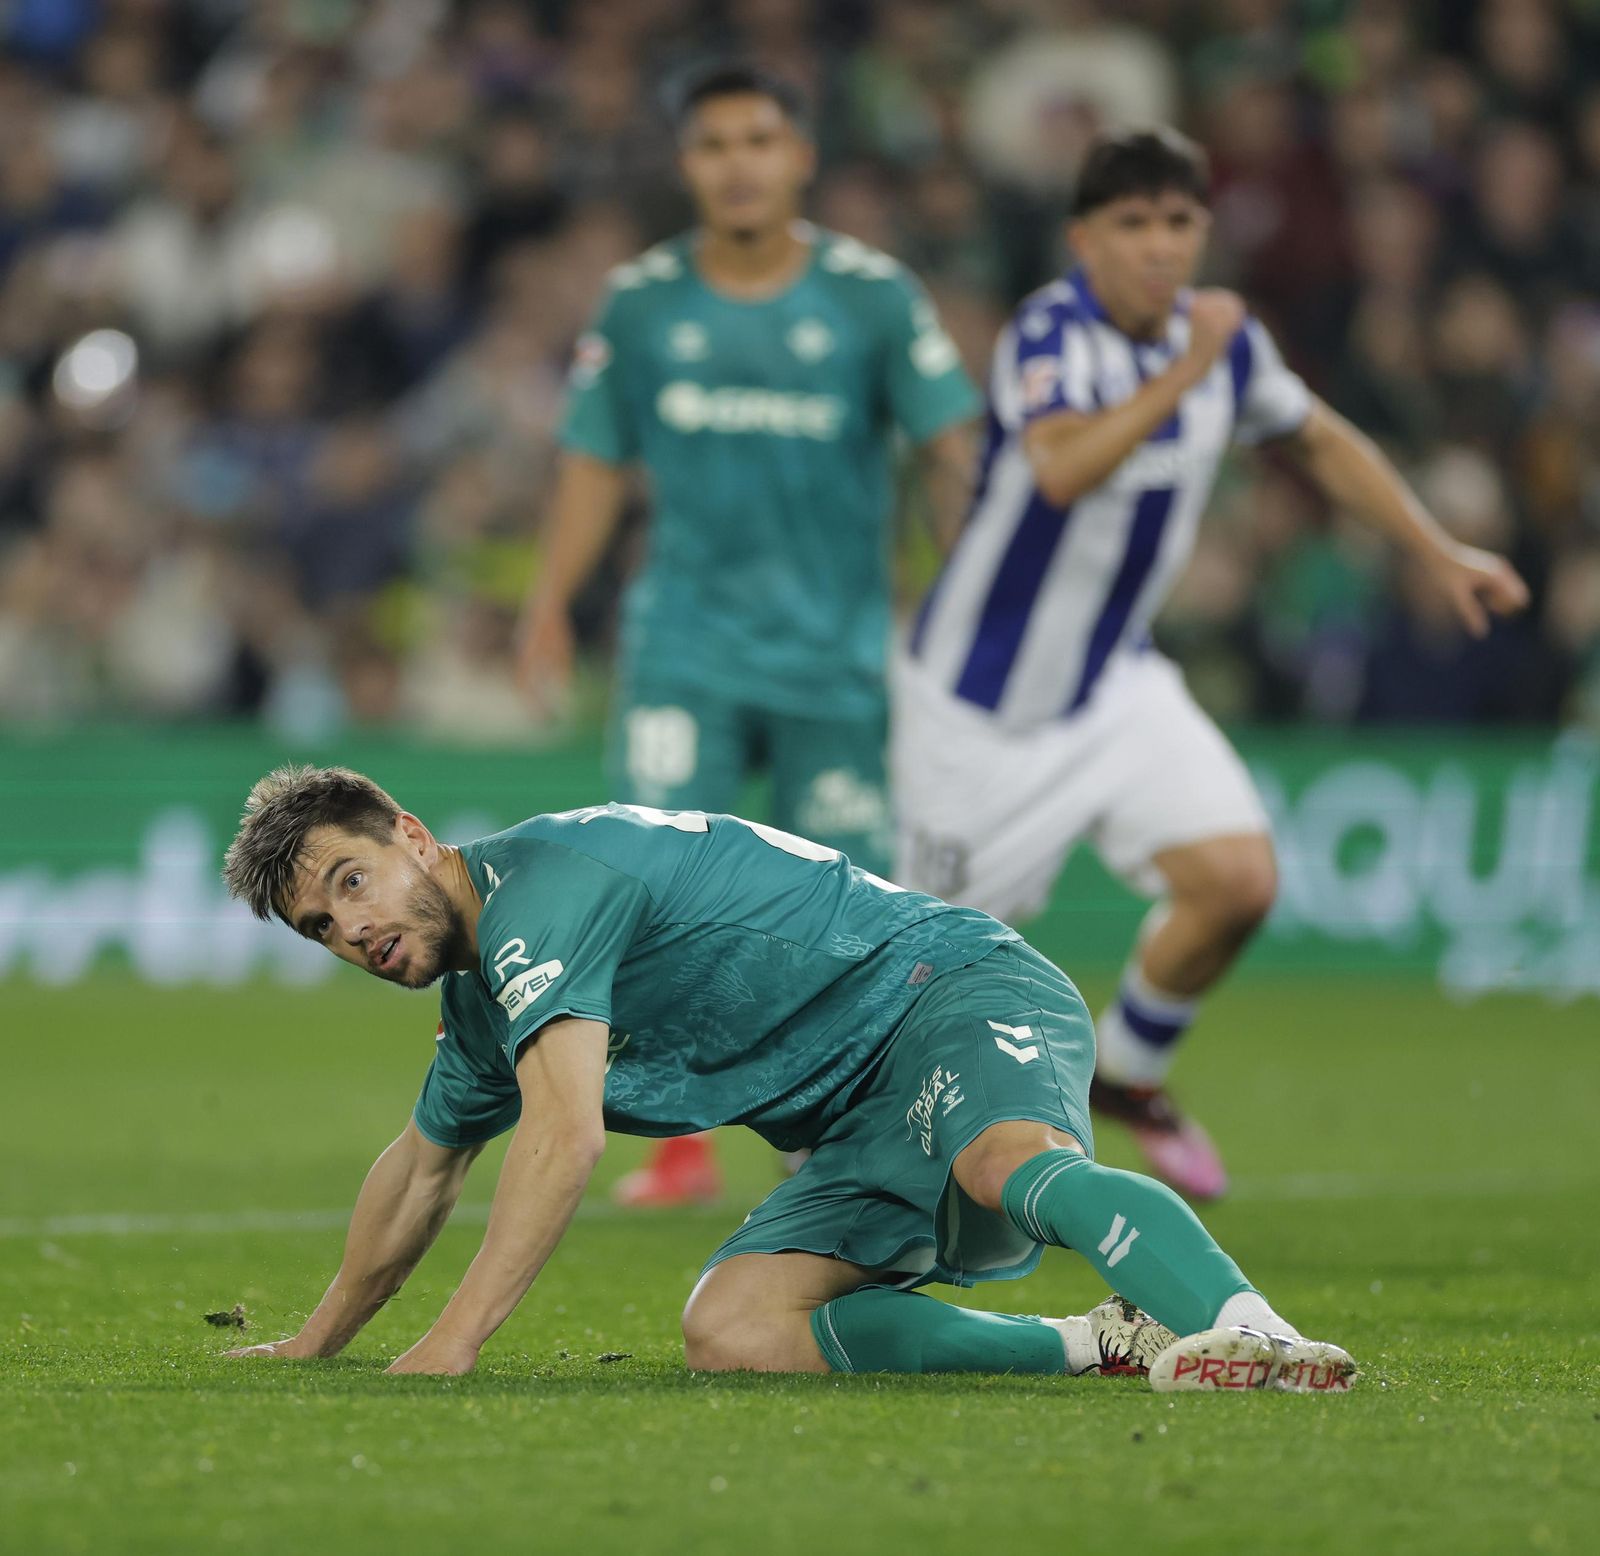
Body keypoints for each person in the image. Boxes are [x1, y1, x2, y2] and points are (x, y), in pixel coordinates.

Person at [217, 763, 1358, 1393]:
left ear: (415, 836)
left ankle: (1253, 1328)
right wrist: (320, 1338)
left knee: (1005, 1159)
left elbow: (561, 1139)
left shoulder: (543, 892)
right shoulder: (478, 1002)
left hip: (947, 989)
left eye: (353, 880)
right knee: (735, 1324)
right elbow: (421, 1166)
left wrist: (452, 1339)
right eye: (320, 923)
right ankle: (1105, 1340)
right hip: (851, 1112)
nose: (350, 926)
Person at [893, 128, 1529, 1200]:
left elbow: (1319, 439)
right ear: (1083, 237)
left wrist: (1435, 547)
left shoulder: (1226, 344)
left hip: (1115, 683)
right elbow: (1058, 471)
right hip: (978, 712)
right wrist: (1188, 367)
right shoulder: (1051, 332)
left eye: (1177, 222)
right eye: (1132, 223)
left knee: (1237, 880)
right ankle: (836, 1154)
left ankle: (1129, 1072)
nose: (1158, 246)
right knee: (918, 986)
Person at [515, 65, 980, 1207]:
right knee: (656, 895)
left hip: (835, 659)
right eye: (714, 143)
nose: (737, 163)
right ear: (687, 164)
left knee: (845, 905)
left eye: (758, 140)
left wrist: (966, 605)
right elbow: (591, 463)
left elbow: (949, 454)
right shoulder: (640, 303)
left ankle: (829, 1134)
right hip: (685, 652)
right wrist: (544, 604)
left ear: (799, 156)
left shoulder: (873, 297)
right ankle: (677, 1139)